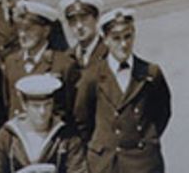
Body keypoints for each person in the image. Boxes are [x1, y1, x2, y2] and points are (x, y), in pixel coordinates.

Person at [70, 10, 168, 173]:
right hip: (108, 163)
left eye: (128, 36)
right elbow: (82, 120)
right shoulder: (92, 76)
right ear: (106, 40)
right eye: (116, 38)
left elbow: (162, 113)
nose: (123, 44)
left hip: (144, 162)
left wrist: (146, 138)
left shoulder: (150, 73)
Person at [0, 75, 85, 173]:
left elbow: (78, 169)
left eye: (48, 104)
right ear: (24, 105)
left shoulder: (66, 136)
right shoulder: (7, 137)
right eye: (36, 106)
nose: (42, 111)